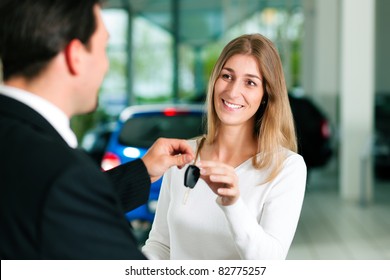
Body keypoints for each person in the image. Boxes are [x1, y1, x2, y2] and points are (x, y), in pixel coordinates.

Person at [0, 0, 194, 259]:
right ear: (75, 56)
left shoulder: (21, 144)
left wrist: (142, 170)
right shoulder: (63, 173)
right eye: (104, 48)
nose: (105, 65)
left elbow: (44, 200)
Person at [142, 33, 307, 260]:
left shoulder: (286, 167)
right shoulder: (182, 155)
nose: (232, 91)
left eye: (250, 82)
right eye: (227, 76)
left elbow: (270, 262)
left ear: (266, 95)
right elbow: (161, 245)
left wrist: (233, 204)